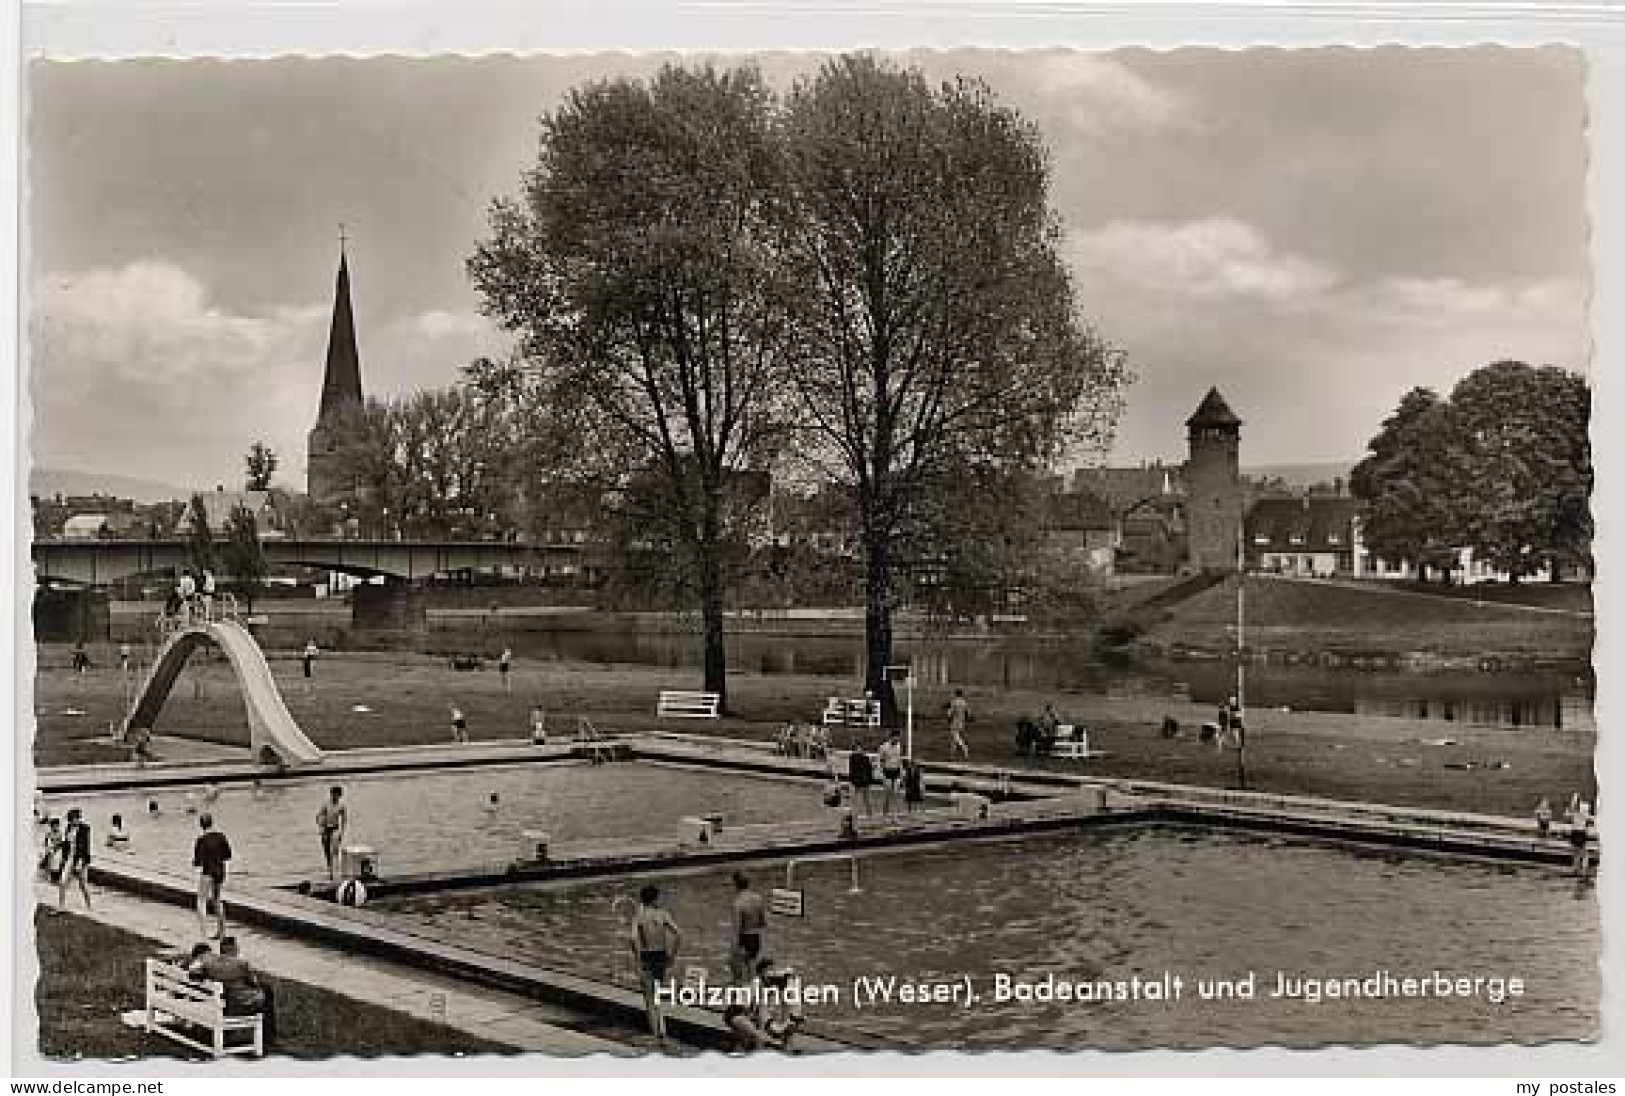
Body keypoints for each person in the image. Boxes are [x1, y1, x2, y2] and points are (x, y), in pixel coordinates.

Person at [189, 936, 275, 1047]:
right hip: (239, 1004)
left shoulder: (209, 964)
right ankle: (269, 1037)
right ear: (233, 948)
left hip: (222, 1001)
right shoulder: (241, 964)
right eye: (236, 947)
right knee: (266, 996)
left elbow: (194, 973)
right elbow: (254, 982)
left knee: (265, 991)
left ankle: (267, 1035)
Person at [628, 884, 682, 1040]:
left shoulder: (639, 917)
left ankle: (655, 1034)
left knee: (649, 999)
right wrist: (672, 955)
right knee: (657, 995)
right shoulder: (663, 914)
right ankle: (663, 1030)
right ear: (654, 899)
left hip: (647, 956)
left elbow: (632, 938)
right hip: (661, 955)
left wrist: (637, 958)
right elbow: (679, 934)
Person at [194, 812, 233, 940]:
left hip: (207, 872)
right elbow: (228, 855)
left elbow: (197, 862)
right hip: (220, 871)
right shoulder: (221, 837)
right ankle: (221, 932)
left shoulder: (201, 840)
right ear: (212, 823)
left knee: (201, 901)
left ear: (201, 825)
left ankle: (203, 934)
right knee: (217, 900)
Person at [728, 871, 768, 985]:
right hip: (756, 938)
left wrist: (733, 948)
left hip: (744, 938)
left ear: (735, 885)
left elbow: (736, 929)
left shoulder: (738, 903)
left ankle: (743, 990)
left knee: (737, 970)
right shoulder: (758, 898)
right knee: (752, 967)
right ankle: (755, 989)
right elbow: (763, 922)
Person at [58, 808, 92, 910]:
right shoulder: (68, 828)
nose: (76, 820)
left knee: (82, 884)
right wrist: (63, 857)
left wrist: (81, 861)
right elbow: (66, 844)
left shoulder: (85, 829)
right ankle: (61, 906)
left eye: (78, 818)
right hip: (70, 858)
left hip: (80, 859)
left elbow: (85, 846)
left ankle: (88, 905)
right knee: (62, 881)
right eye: (74, 818)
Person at [316, 786, 348, 881]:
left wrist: (341, 833)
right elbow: (319, 816)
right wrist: (321, 828)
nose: (334, 796)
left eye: (336, 795)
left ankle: (336, 869)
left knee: (335, 849)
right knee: (326, 850)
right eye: (333, 794)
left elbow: (344, 820)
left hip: (335, 828)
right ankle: (330, 869)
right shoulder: (325, 804)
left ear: (339, 795)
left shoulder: (341, 806)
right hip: (326, 828)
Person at [876, 731, 904, 813]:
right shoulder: (883, 747)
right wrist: (881, 771)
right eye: (896, 737)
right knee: (888, 792)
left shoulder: (899, 746)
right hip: (887, 771)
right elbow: (880, 759)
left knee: (896, 792)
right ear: (891, 737)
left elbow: (900, 759)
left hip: (896, 770)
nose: (898, 739)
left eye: (898, 738)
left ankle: (894, 812)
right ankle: (885, 809)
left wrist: (901, 771)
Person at [847, 741, 876, 815]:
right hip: (856, 780)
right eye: (857, 748)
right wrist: (852, 780)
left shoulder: (865, 758)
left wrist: (869, 780)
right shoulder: (853, 758)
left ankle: (869, 813)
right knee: (854, 798)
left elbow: (869, 770)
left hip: (863, 781)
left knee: (866, 798)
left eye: (859, 748)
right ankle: (853, 813)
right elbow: (852, 770)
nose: (859, 750)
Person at [39, 818, 66, 884]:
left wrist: (57, 847)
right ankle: (50, 876)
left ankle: (57, 877)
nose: (55, 827)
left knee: (58, 862)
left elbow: (62, 843)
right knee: (50, 861)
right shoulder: (49, 834)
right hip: (51, 850)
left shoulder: (60, 834)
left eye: (57, 825)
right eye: (54, 826)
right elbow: (46, 843)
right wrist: (49, 848)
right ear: (52, 826)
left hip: (58, 850)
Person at [946, 689, 971, 760]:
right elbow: (968, 713)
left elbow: (950, 712)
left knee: (955, 736)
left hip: (955, 721)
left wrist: (949, 718)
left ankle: (965, 748)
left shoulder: (954, 702)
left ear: (956, 694)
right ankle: (952, 755)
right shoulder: (964, 702)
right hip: (962, 721)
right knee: (954, 739)